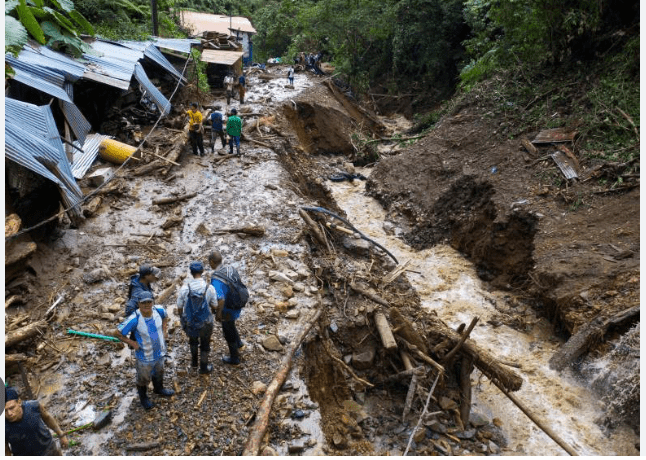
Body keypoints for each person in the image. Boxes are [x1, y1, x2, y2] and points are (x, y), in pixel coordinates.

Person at [115, 291, 174, 410]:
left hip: (160, 352)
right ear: (139, 304)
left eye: (149, 302)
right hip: (144, 357)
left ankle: (159, 389)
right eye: (143, 303)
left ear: (153, 302)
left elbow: (166, 317)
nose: (147, 305)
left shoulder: (159, 310)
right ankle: (143, 398)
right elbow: (117, 333)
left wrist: (164, 331)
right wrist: (132, 343)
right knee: (143, 378)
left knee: (159, 372)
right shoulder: (134, 318)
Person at [176, 261, 219, 374]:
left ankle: (194, 364)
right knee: (205, 344)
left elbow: (180, 306)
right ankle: (204, 367)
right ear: (202, 272)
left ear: (191, 272)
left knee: (193, 342)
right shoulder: (209, 288)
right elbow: (215, 305)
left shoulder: (185, 288)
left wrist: (182, 318)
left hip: (191, 321)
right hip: (205, 322)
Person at [5, 386, 69, 456]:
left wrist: (61, 435)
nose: (9, 413)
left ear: (19, 402)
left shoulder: (33, 406)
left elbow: (48, 418)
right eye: (5, 410)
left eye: (12, 408)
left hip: (49, 450)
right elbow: (6, 449)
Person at [208, 250, 245, 365]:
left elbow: (221, 299)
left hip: (228, 308)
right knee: (231, 324)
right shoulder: (230, 268)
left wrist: (218, 314)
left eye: (209, 262)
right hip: (239, 301)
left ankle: (234, 358)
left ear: (212, 262)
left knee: (228, 331)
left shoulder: (216, 279)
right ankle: (239, 343)